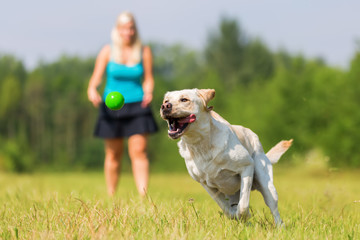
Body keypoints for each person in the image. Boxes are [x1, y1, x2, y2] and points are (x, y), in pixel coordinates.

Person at [87, 11, 158, 197]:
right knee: (113, 154)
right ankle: (111, 195)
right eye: (125, 28)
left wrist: (149, 91)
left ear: (135, 29)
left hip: (138, 105)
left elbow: (149, 79)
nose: (129, 32)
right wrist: (93, 91)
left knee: (139, 151)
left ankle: (144, 197)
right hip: (111, 108)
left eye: (132, 28)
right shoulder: (107, 51)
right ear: (117, 30)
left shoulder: (144, 51)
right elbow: (95, 80)